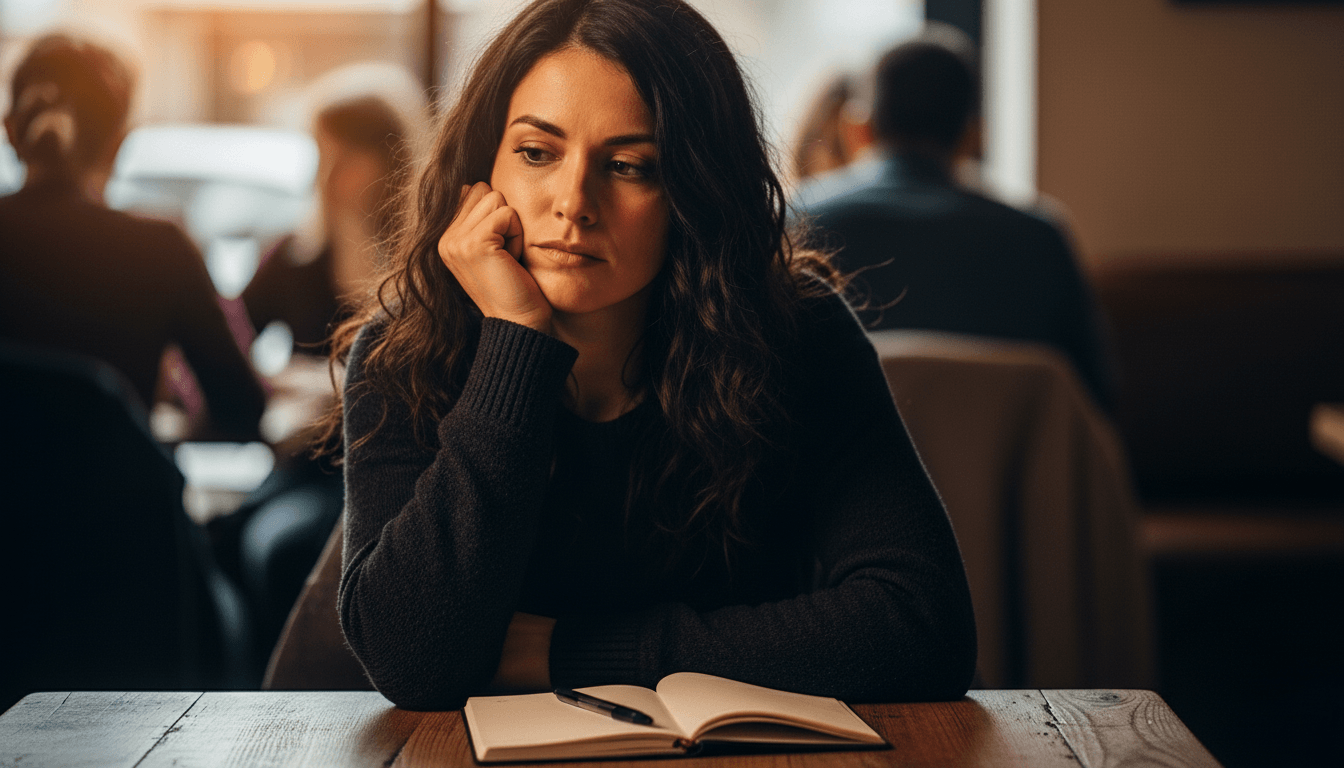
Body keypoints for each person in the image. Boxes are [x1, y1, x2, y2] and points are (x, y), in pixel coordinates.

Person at [316, 0, 977, 711]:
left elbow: (922, 626)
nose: (573, 202)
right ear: (485, 170)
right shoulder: (404, 352)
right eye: (537, 153)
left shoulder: (797, 332)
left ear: (695, 191)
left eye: (629, 165)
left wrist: (574, 652)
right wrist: (515, 341)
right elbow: (413, 663)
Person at [216, 62, 430, 671]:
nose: (327, 174)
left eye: (343, 157)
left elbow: (422, 376)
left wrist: (329, 385)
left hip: (383, 462)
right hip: (306, 458)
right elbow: (228, 346)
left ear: (389, 158)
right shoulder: (297, 251)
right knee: (223, 536)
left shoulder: (423, 260)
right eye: (320, 156)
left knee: (280, 549)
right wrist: (285, 383)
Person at [793, 25, 1115, 409]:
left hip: (844, 467)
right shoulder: (1041, 238)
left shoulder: (801, 223)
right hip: (1005, 470)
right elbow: (1096, 397)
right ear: (973, 135)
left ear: (858, 130)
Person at [0, 33, 265, 437]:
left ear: (10, 130)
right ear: (120, 142)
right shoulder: (160, 250)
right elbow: (242, 408)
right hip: (117, 498)